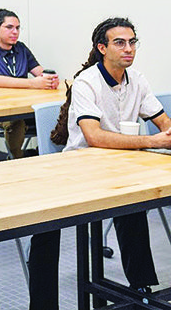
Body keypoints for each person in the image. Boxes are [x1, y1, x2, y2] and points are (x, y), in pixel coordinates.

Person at [28, 18, 171, 310]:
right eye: (120, 43)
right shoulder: (86, 82)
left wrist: (165, 134)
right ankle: (43, 305)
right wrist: (153, 140)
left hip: (122, 164)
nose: (128, 48)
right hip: (81, 167)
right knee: (45, 220)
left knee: (134, 199)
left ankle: (140, 290)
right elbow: (93, 136)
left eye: (132, 42)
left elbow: (164, 124)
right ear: (102, 48)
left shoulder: (137, 79)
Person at [0, 8, 58, 158]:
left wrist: (49, 79)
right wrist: (34, 84)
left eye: (18, 28)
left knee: (55, 112)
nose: (15, 32)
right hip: (0, 107)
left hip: (25, 104)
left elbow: (39, 71)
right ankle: (17, 159)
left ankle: (46, 154)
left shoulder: (21, 48)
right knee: (16, 123)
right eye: (9, 27)